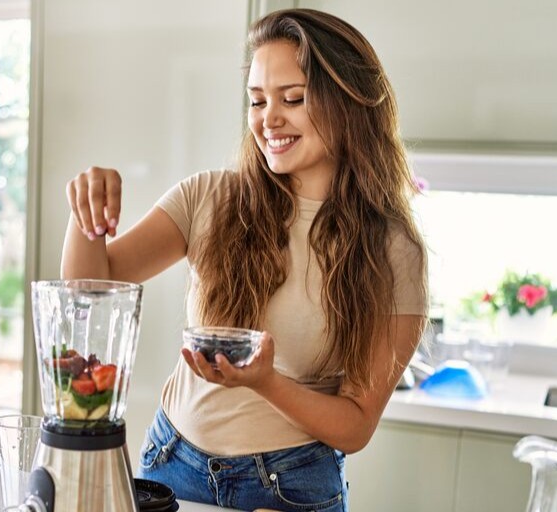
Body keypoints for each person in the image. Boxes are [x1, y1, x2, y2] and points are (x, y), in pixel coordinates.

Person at [60, 8, 427, 512]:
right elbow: (89, 289)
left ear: (349, 103)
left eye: (292, 99)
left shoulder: (392, 249)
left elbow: (356, 424)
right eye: (257, 100)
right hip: (169, 464)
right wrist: (87, 212)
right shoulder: (210, 197)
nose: (268, 118)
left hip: (289, 489)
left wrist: (267, 383)